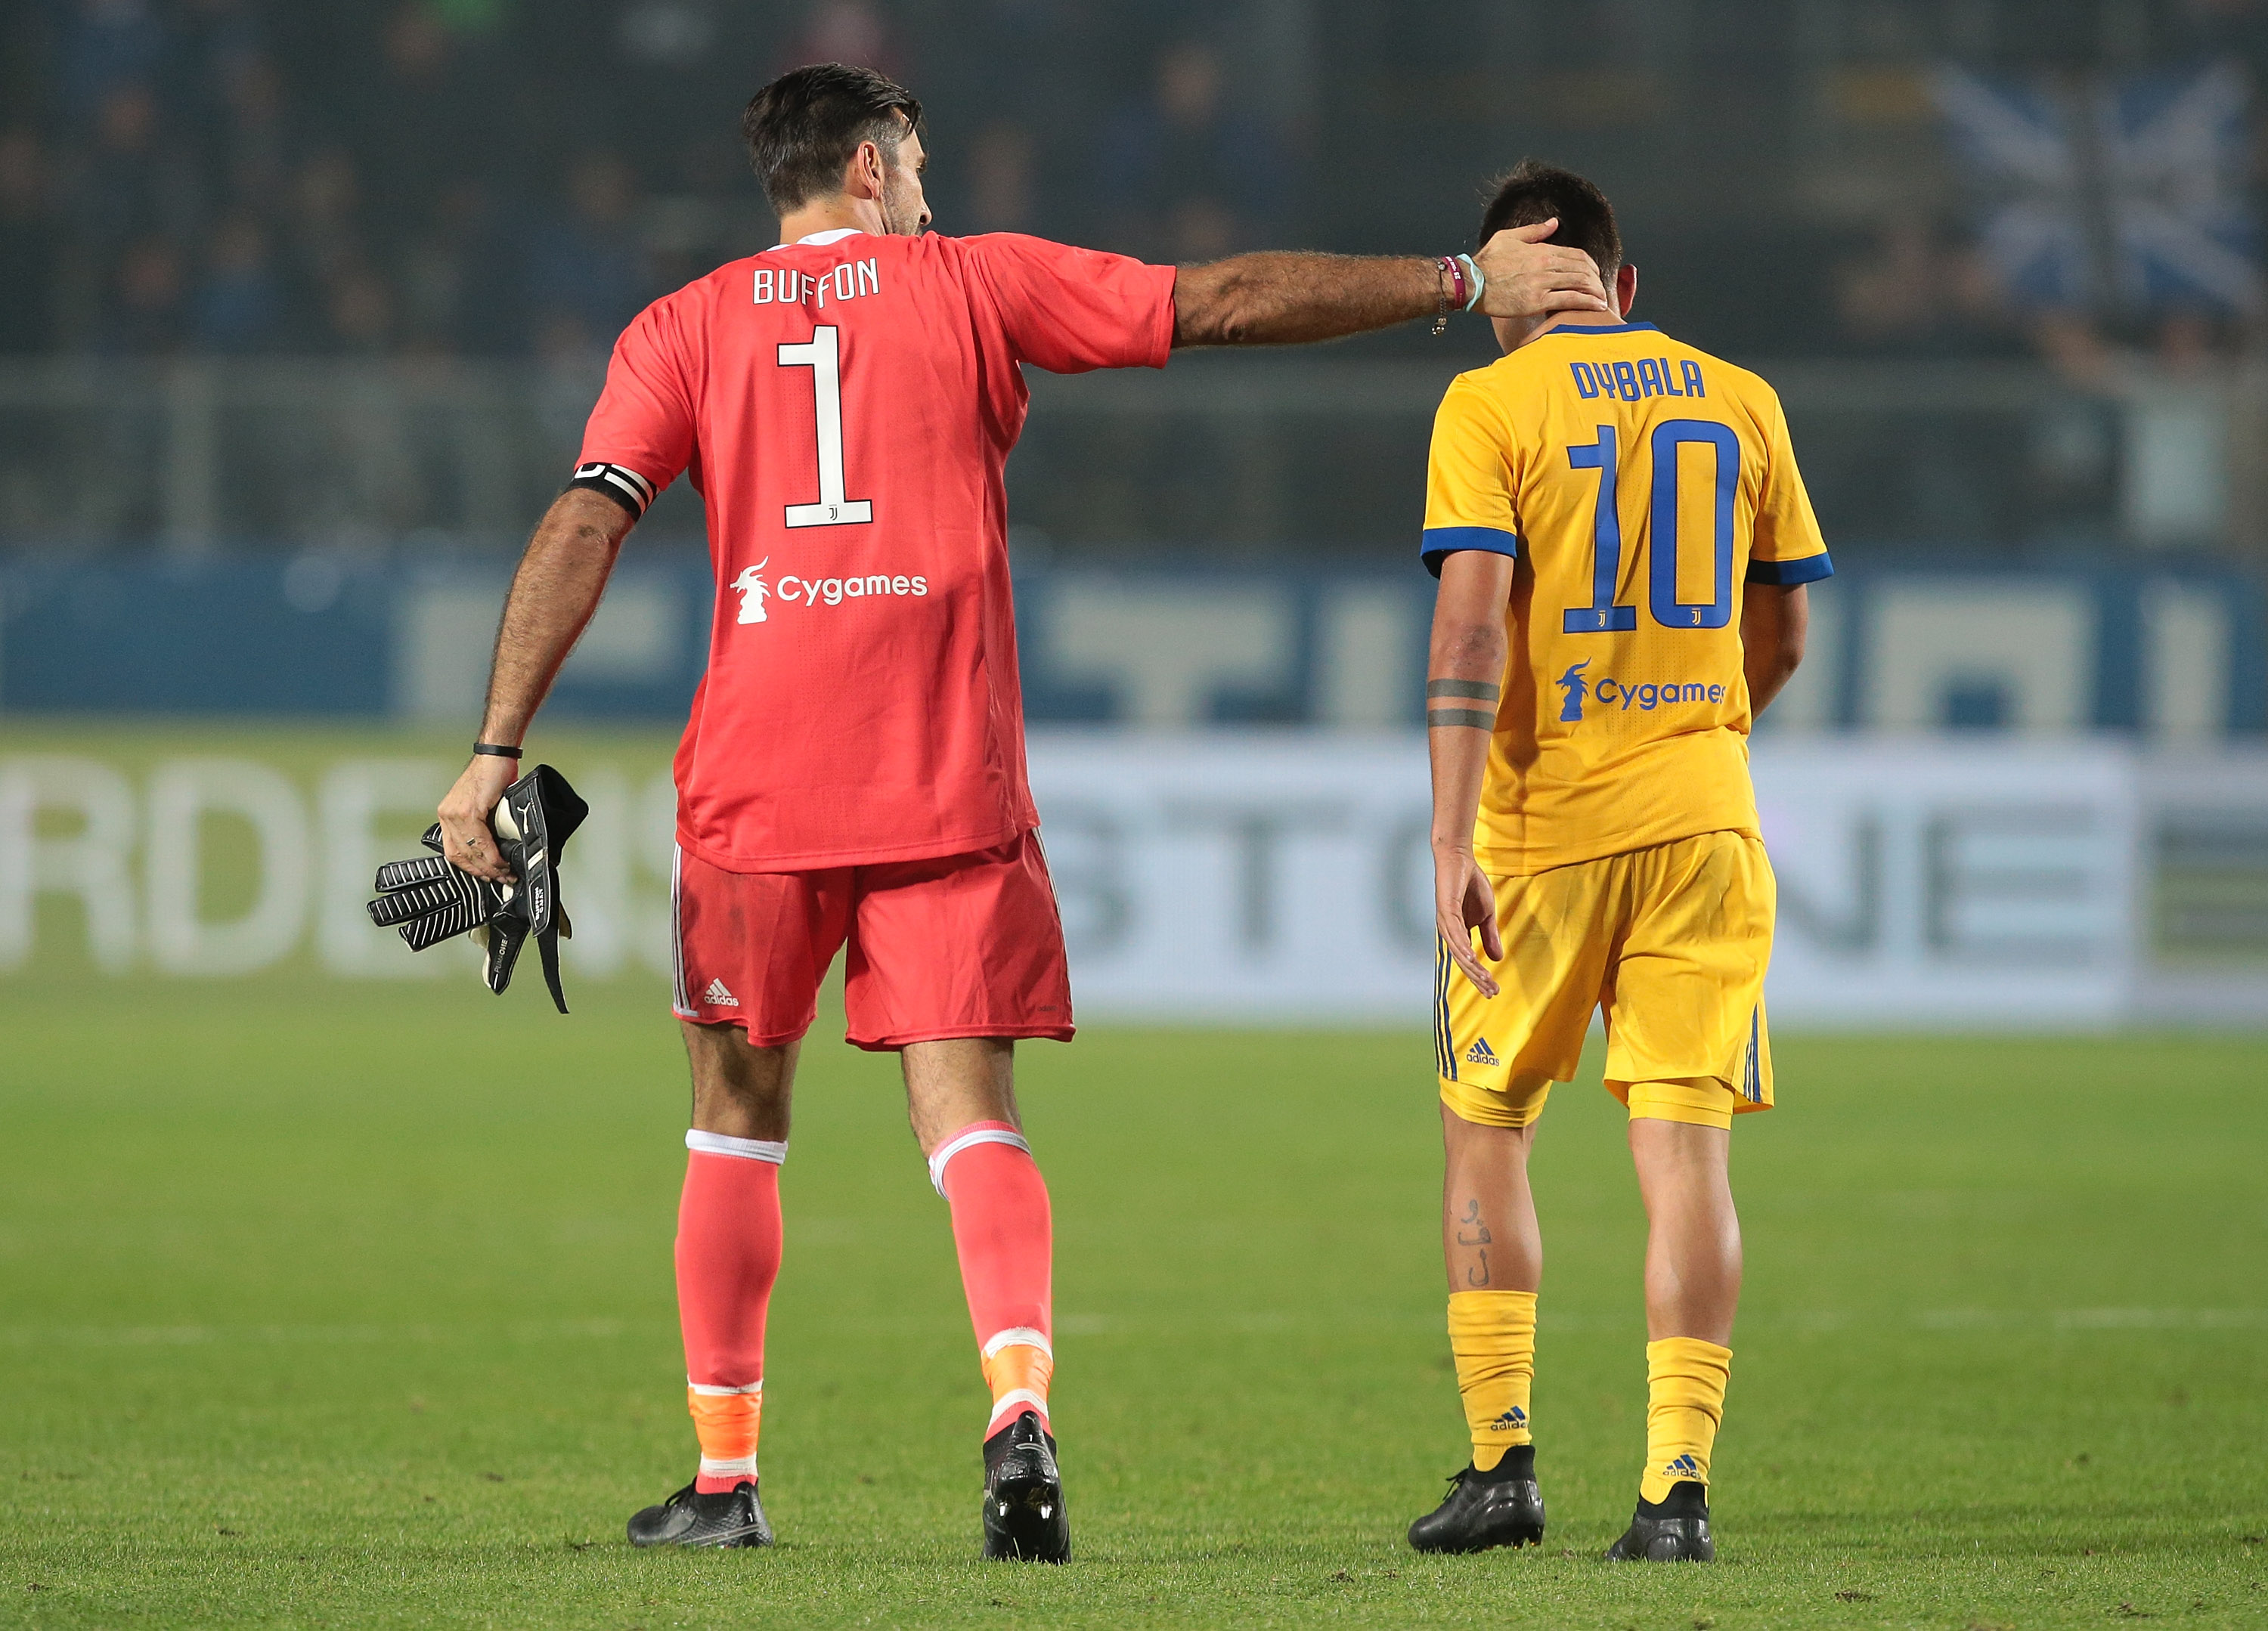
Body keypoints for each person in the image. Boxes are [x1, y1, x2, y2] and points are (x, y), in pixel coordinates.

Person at [432, 66, 1609, 1562]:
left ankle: (724, 1482)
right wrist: (1458, 278)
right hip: (941, 772)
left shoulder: (679, 325)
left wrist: (493, 748)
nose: (928, 189)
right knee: (969, 1114)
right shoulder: (976, 284)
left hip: (754, 785)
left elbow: (586, 517)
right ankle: (1017, 1408)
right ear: (866, 169)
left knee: (734, 1120)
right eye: (914, 164)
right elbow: (1228, 300)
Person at [1406, 160, 1829, 1564]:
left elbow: (1472, 629)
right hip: (1705, 820)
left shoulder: (1490, 401)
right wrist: (1693, 743)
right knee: (1686, 1154)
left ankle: (1501, 1462)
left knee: (1487, 1126)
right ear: (1624, 285)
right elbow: (1781, 642)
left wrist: (1450, 829)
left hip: (1538, 834)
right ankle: (1678, 1492)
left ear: (1505, 298)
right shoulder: (1743, 398)